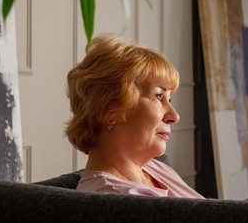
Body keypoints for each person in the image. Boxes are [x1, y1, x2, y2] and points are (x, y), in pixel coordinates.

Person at [65, 35, 204, 199]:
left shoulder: (154, 168)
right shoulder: (117, 201)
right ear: (110, 111)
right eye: (158, 96)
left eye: (170, 99)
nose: (174, 116)